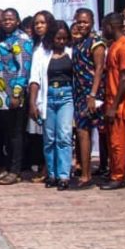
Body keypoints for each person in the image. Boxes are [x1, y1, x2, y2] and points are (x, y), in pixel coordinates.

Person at [0, 8, 33, 186]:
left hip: (13, 97)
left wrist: (17, 93)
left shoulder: (22, 40)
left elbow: (24, 68)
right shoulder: (2, 38)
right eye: (4, 19)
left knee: (16, 136)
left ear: (17, 21)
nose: (7, 22)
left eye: (10, 19)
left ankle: (16, 170)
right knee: (6, 135)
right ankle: (7, 167)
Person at [29, 21, 74, 191]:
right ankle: (52, 174)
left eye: (64, 38)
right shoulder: (42, 53)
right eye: (58, 38)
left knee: (64, 135)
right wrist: (32, 103)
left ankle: (64, 175)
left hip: (66, 96)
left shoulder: (71, 52)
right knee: (49, 139)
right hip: (48, 97)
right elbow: (34, 79)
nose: (61, 42)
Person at [72, 8, 106, 189]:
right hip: (79, 94)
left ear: (92, 22)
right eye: (79, 22)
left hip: (93, 94)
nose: (82, 25)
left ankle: (92, 174)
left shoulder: (96, 42)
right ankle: (86, 173)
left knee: (97, 132)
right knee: (82, 133)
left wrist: (92, 95)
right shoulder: (78, 43)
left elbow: (100, 69)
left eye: (85, 22)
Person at [100, 13, 125, 190]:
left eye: (104, 26)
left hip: (119, 104)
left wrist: (114, 106)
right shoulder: (113, 46)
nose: (102, 30)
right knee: (111, 142)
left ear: (111, 26)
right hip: (110, 100)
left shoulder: (124, 47)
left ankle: (118, 176)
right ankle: (113, 172)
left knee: (118, 142)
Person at [26, 11, 57, 183]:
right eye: (36, 23)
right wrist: (32, 101)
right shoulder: (35, 46)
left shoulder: (55, 45)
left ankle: (53, 170)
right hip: (40, 95)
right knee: (44, 136)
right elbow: (34, 77)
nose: (39, 26)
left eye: (42, 23)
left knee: (56, 136)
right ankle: (47, 169)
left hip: (55, 95)